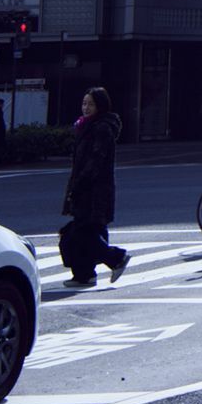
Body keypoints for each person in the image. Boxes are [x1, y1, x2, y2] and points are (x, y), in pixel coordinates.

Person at [61, 87, 129, 286]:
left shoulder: (101, 128)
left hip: (94, 190)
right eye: (84, 103)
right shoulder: (87, 126)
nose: (86, 107)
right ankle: (84, 274)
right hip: (87, 188)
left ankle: (116, 258)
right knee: (85, 231)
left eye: (90, 104)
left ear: (100, 106)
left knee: (81, 231)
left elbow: (96, 160)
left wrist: (80, 183)